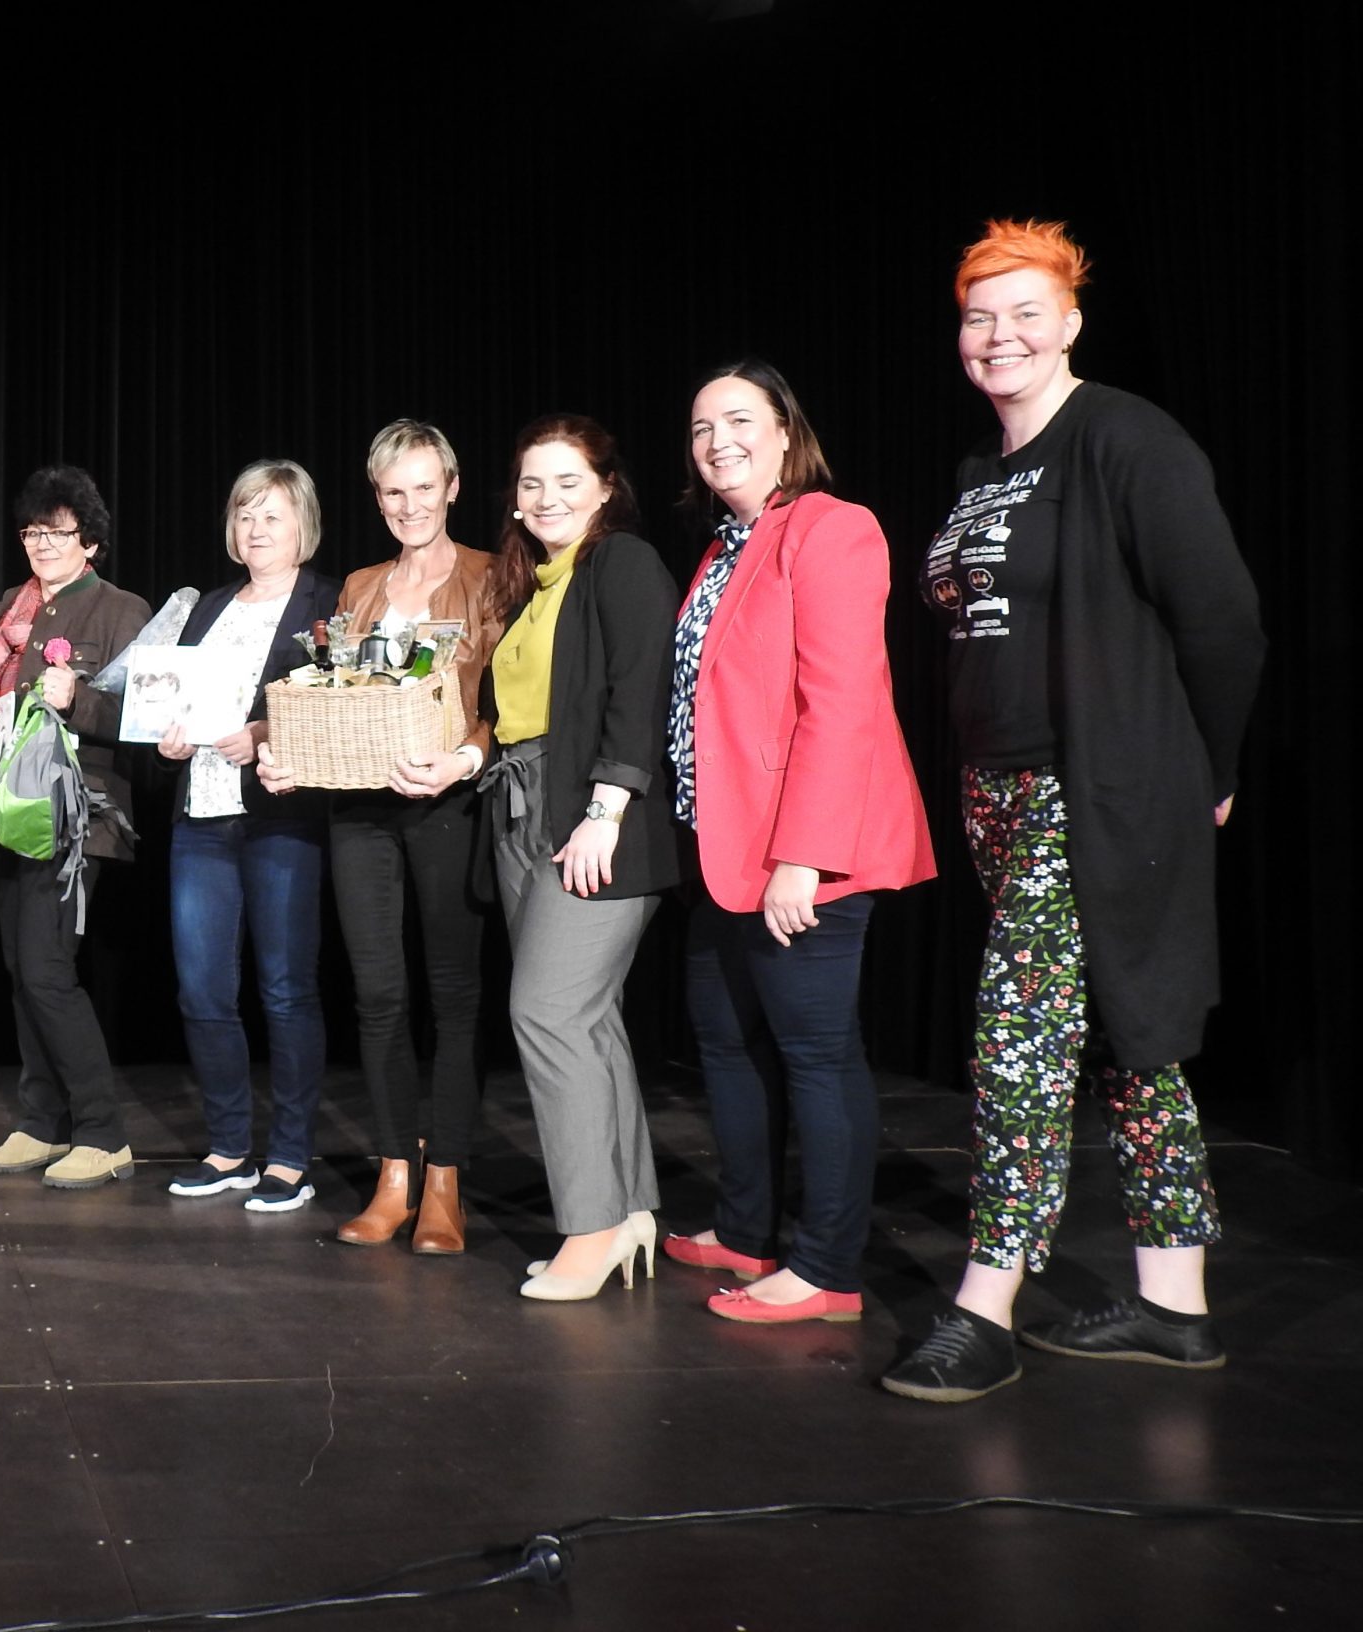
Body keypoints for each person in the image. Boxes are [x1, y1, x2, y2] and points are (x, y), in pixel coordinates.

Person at [881, 222, 1264, 1402]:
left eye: (1024, 313)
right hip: (998, 792)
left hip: (1096, 787)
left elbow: (1222, 620)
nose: (998, 336)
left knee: (1018, 1038)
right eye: (977, 317)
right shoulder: (979, 469)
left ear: (1070, 322)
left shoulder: (1123, 439)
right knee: (1125, 1043)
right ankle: (1175, 1305)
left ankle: (984, 1305)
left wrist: (1206, 768)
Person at [663, 360, 935, 1324]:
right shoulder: (725, 547)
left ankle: (827, 1271)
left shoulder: (831, 527)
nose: (719, 441)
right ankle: (747, 1229)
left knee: (816, 1054)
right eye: (702, 427)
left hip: (802, 853)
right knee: (726, 1040)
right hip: (722, 848)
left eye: (740, 419)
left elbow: (843, 701)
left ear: (786, 431)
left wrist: (803, 857)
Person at [259, 420, 503, 1253]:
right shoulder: (360, 586)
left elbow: (506, 705)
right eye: (395, 491)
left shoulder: (491, 576)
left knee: (454, 995)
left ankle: (447, 1182)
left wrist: (465, 759)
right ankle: (395, 1173)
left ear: (452, 488)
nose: (411, 505)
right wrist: (289, 758)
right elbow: (333, 695)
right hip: (359, 808)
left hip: (448, 806)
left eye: (425, 487)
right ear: (377, 497)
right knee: (377, 996)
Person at [476, 417, 682, 1299]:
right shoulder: (534, 588)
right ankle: (627, 1208)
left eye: (567, 481)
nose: (546, 497)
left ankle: (590, 1230)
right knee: (588, 1021)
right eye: (531, 483)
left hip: (594, 817)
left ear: (605, 488)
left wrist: (607, 808)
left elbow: (641, 689)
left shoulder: (621, 563)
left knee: (549, 1013)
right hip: (524, 812)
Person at [0, 467, 152, 1190]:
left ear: (90, 542)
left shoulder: (120, 610)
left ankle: (102, 1133)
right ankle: (42, 1122)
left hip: (74, 816)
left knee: (46, 970)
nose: (42, 543)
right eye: (33, 531)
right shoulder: (3, 612)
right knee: (21, 971)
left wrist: (81, 703)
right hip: (4, 812)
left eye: (58, 532)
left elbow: (144, 718)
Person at [157, 460, 339, 1212]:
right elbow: (175, 697)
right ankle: (229, 1147)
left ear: (302, 526)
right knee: (202, 989)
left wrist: (263, 731)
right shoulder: (208, 607)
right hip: (201, 815)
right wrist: (168, 735)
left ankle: (290, 1156)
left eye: (272, 515)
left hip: (280, 817)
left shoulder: (328, 603)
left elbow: (337, 703)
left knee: (286, 989)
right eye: (245, 515)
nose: (256, 529)